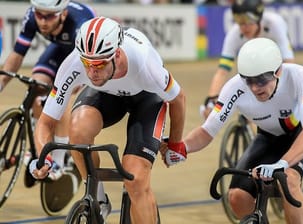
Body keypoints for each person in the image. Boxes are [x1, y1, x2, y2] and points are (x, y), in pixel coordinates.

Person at [29, 16, 186, 222]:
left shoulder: (145, 64)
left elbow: (178, 99)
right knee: (77, 130)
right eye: (87, 63)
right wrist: (44, 158)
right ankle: (98, 199)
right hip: (106, 94)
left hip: (146, 97)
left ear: (117, 55)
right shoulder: (75, 62)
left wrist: (175, 144)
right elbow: (47, 121)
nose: (92, 72)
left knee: (135, 179)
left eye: (99, 64)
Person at [163, 38, 303, 224]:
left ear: (278, 71)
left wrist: (282, 163)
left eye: (262, 80)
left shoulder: (300, 76)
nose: (255, 87)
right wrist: (182, 147)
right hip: (269, 137)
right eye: (249, 81)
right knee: (237, 196)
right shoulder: (234, 88)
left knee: (289, 180)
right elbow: (206, 131)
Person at [0, 0, 96, 180]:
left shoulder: (80, 23)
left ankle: (59, 160)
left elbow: (84, 68)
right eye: (40, 15)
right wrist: (2, 82)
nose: (43, 21)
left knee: (62, 95)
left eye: (49, 16)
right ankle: (39, 148)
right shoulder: (31, 16)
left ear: (63, 14)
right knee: (36, 87)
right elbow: (17, 54)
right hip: (58, 50)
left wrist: (68, 87)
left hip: (83, 57)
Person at [201, 0, 294, 119]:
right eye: (239, 21)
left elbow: (289, 64)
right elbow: (222, 71)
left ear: (258, 18)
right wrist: (212, 99)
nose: (244, 27)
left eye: (248, 21)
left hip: (275, 56)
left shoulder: (275, 24)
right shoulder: (234, 34)